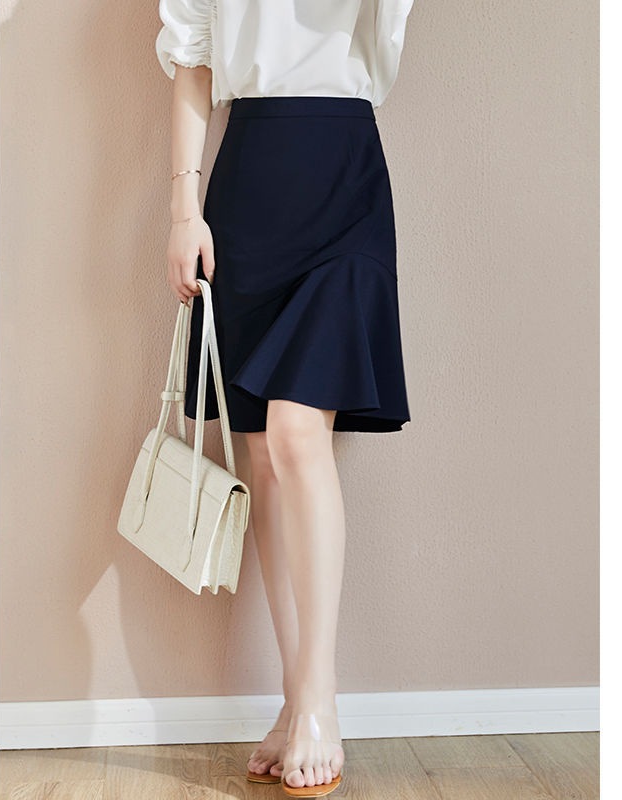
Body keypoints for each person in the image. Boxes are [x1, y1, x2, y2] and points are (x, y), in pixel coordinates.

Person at [156, 1, 414, 796]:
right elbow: (193, 57)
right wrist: (183, 209)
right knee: (263, 452)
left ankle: (318, 699)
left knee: (299, 436)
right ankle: (296, 699)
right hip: (247, 183)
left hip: (344, 177)